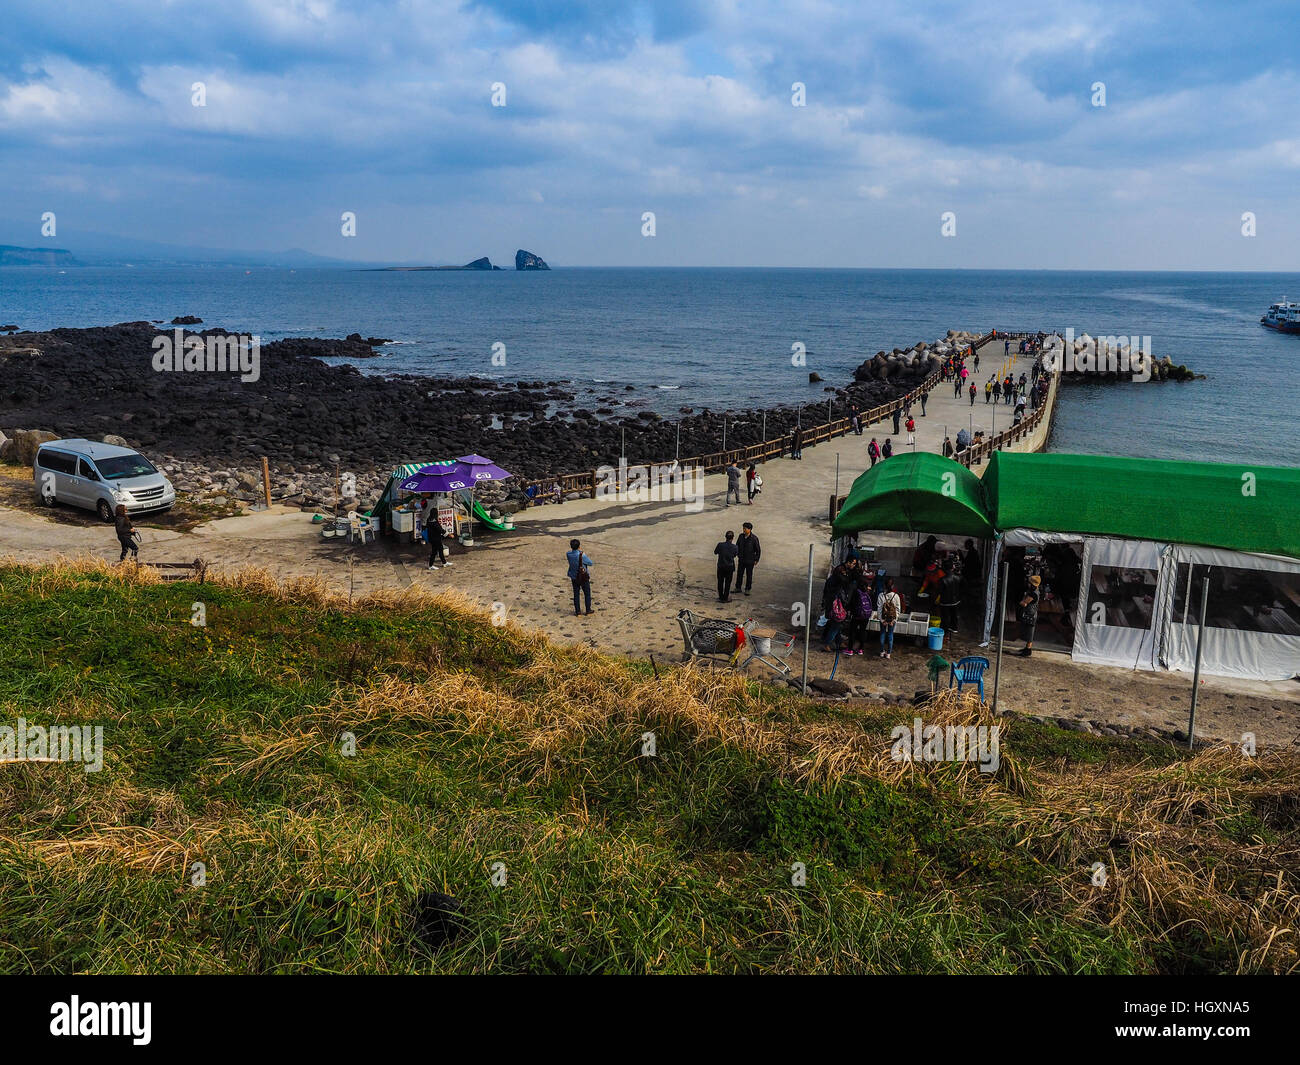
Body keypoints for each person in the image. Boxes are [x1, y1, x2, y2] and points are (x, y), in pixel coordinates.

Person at [846, 574, 874, 655]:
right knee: (862, 631)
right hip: (866, 616)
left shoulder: (856, 592)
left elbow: (852, 604)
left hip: (857, 616)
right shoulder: (868, 592)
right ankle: (861, 649)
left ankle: (850, 649)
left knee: (852, 631)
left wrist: (850, 611)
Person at [566, 538, 593, 616]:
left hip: (574, 576)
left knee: (576, 593)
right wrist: (583, 554)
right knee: (587, 593)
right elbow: (590, 563)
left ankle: (578, 611)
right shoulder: (581, 555)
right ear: (579, 546)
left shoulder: (568, 554)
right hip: (583, 576)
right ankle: (588, 610)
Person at [878, 578, 902, 659]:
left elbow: (879, 609)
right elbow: (898, 610)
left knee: (882, 634)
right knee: (890, 635)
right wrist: (894, 620)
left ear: (884, 585)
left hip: (883, 619)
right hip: (892, 620)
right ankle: (888, 653)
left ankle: (882, 652)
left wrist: (882, 620)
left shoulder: (881, 595)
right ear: (893, 586)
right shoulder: (896, 596)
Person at [1017, 574, 1041, 656]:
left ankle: (1028, 650)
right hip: (1031, 613)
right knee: (1028, 632)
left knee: (1030, 632)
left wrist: (1021, 601)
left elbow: (1024, 603)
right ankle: (1027, 648)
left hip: (1030, 614)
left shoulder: (1033, 594)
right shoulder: (1036, 591)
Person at [736, 522, 761, 595]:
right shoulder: (741, 536)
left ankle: (747, 589)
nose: (743, 530)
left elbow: (758, 550)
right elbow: (737, 545)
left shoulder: (754, 538)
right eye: (743, 528)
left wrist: (756, 559)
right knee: (739, 574)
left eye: (745, 528)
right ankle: (738, 587)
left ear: (749, 529)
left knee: (749, 575)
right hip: (741, 559)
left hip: (750, 560)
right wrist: (738, 554)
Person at [939, 558, 963, 633]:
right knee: (954, 616)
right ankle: (954, 628)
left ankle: (945, 631)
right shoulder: (959, 577)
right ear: (952, 568)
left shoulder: (942, 580)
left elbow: (940, 591)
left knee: (945, 617)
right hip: (955, 601)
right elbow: (963, 589)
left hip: (945, 602)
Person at [714, 530, 739, 602]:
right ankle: (725, 597)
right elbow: (734, 555)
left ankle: (721, 596)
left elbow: (715, 552)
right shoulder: (735, 547)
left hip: (721, 566)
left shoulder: (720, 545)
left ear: (725, 537)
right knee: (728, 583)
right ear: (732, 538)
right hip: (729, 567)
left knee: (720, 582)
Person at [426, 503, 450, 569]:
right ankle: (430, 566)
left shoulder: (429, 519)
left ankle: (444, 563)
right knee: (434, 552)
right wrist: (448, 535)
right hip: (435, 539)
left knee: (440, 550)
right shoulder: (434, 522)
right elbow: (440, 530)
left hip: (432, 538)